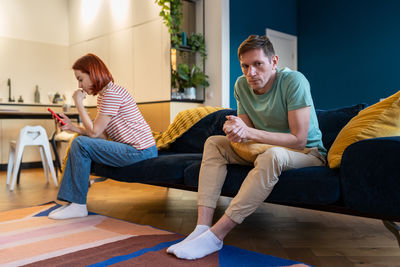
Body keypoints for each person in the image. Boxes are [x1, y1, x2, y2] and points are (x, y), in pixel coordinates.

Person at [167, 35, 327, 260]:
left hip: (306, 153)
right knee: (214, 143)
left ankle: (216, 236)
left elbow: (299, 139)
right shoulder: (242, 85)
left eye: (258, 64)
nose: (250, 72)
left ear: (274, 62)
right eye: (245, 66)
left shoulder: (294, 81)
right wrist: (236, 129)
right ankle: (201, 229)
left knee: (272, 156)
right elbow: (247, 133)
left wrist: (249, 132)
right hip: (262, 148)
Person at [48, 53, 157, 220]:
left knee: (80, 143)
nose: (79, 85)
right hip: (134, 149)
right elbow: (101, 136)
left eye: (80, 79)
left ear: (93, 74)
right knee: (80, 142)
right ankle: (73, 203)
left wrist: (79, 103)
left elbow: (93, 132)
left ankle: (77, 204)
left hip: (140, 151)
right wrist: (72, 127)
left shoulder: (112, 94)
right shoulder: (104, 96)